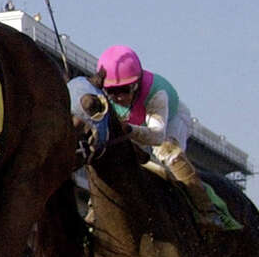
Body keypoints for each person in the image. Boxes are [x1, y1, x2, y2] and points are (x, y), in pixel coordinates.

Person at [96, 45, 236, 230]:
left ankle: (207, 211)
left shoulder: (157, 94)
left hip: (171, 120)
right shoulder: (103, 96)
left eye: (123, 90)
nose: (118, 97)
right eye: (112, 91)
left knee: (166, 152)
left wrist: (128, 129)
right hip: (137, 122)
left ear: (136, 83)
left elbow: (155, 136)